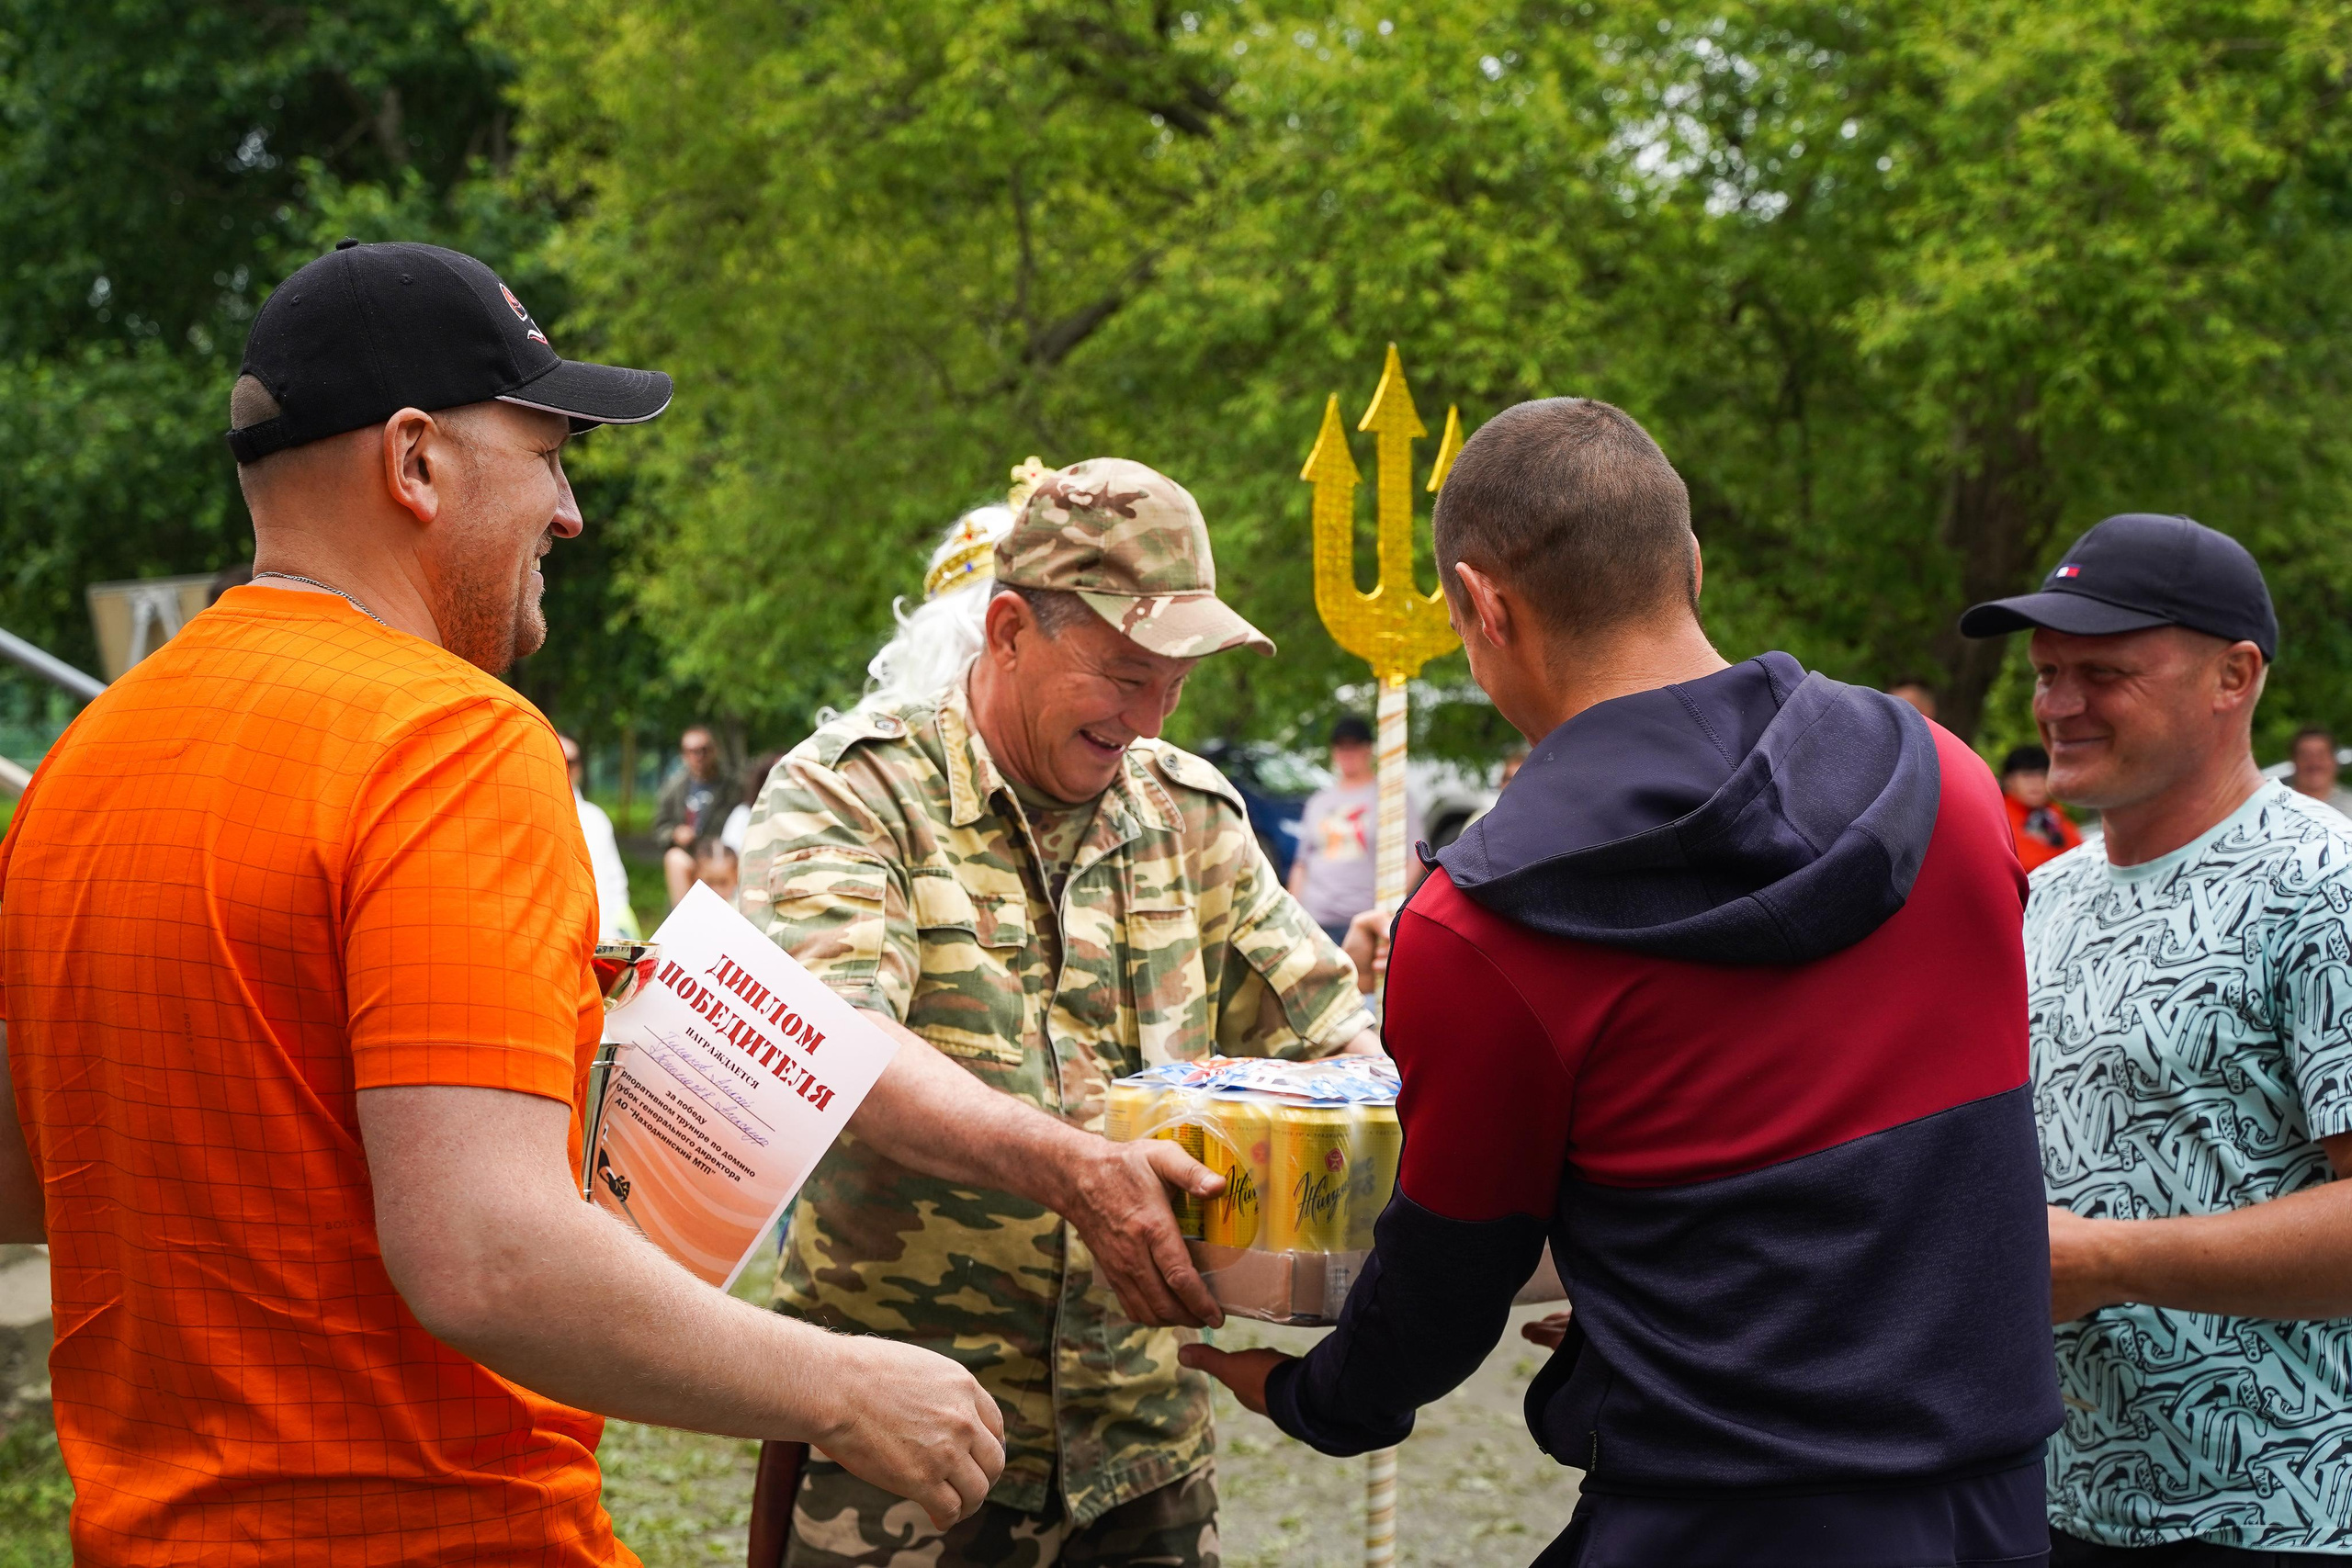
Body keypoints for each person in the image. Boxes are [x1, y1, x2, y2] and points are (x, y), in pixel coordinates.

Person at [0, 240, 1005, 1563]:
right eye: (547, 453)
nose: (570, 510)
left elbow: (29, 1186)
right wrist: (846, 1383)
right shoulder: (450, 740)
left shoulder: (90, 754)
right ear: (415, 462)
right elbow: (488, 1256)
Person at [1184, 398, 2061, 1567]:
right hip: (1989, 1500)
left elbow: (1446, 1282)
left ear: (1478, 607)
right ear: (1689, 567)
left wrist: (1315, 1399)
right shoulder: (1947, 788)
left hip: (1723, 1508)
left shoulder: (1481, 926)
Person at [738, 458, 1380, 1568]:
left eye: (1177, 679)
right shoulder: (852, 793)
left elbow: (1333, 1046)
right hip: (904, 1460)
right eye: (1126, 672)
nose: (1152, 714)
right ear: (1006, 629)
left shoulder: (1189, 817)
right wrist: (1080, 1170)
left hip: (1141, 1461)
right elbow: (835, 1054)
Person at [1958, 513, 2352, 1563]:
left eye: (2104, 672)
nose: (2058, 705)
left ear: (2234, 676)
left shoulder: (2325, 888)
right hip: (2045, 1502)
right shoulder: (2039, 898)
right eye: (2045, 674)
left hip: (2279, 1515)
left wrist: (2112, 1261)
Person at [1287, 715, 1426, 943]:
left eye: (1353, 746)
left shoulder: (1392, 796)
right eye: (1341, 746)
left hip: (1365, 920)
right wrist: (1291, 912)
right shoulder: (1318, 801)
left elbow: (1415, 856)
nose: (1347, 753)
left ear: (1368, 749)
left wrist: (1391, 907)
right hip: (1313, 920)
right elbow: (1302, 862)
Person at [562, 731, 640, 939]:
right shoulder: (526, 815)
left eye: (570, 761)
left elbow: (616, 883)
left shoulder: (596, 819)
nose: (564, 766)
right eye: (558, 757)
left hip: (600, 937)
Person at [655, 724, 727, 907]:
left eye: (703, 750)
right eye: (691, 751)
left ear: (714, 750)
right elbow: (659, 828)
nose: (698, 757)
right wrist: (675, 834)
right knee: (674, 859)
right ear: (684, 754)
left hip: (722, 856)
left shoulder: (731, 785)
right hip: (689, 856)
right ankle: (683, 924)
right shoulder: (674, 787)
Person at [2000, 744, 2083, 872]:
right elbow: (2026, 863)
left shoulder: (2053, 814)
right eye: (2027, 775)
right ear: (2008, 781)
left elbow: (2081, 853)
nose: (2036, 782)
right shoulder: (2000, 817)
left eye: (2042, 775)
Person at [2286, 725, 2352, 816]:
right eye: (2306, 756)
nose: (2314, 763)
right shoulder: (2276, 808)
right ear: (2294, 761)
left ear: (2334, 760)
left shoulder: (2349, 806)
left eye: (2321, 755)